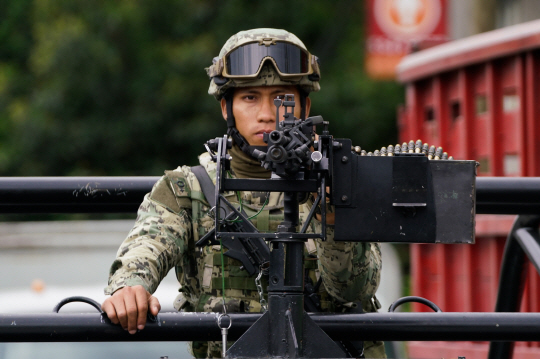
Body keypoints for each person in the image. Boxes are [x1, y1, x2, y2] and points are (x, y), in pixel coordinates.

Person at [102, 28, 385, 358]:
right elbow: (147, 245)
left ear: (305, 107)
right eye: (250, 98)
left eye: (283, 98)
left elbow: (352, 288)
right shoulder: (189, 189)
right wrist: (130, 286)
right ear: (227, 108)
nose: (266, 114)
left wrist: (333, 214)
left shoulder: (337, 180)